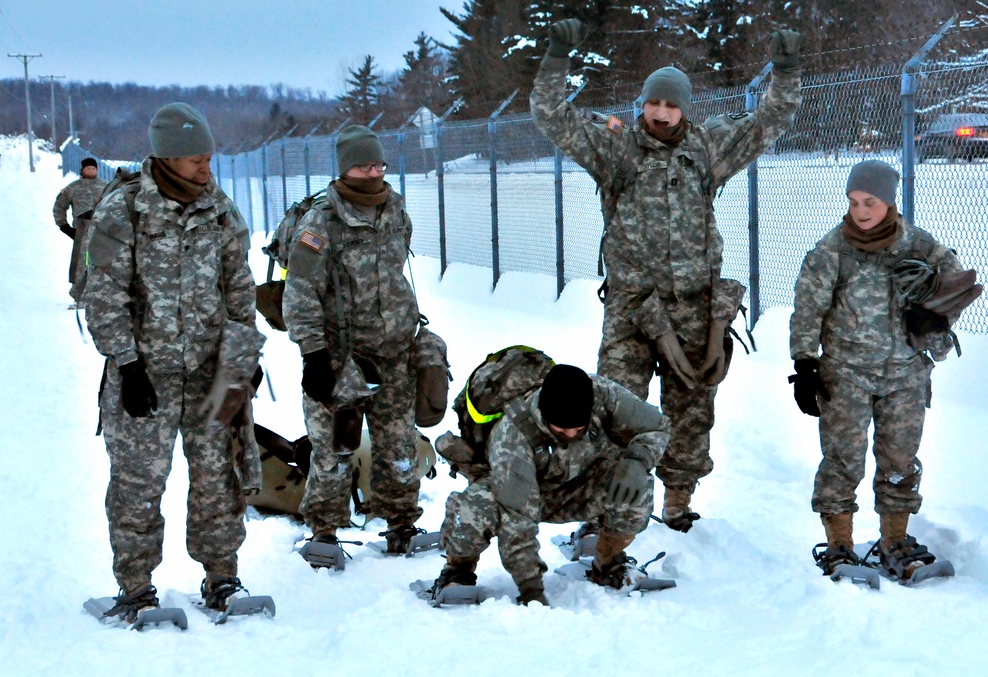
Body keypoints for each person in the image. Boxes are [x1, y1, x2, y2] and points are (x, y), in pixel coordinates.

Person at [531, 19, 803, 532]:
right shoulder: (615, 148)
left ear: (684, 108)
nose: (660, 113)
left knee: (691, 406)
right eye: (653, 103)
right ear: (643, 103)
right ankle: (604, 509)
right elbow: (550, 114)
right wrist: (555, 60)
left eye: (671, 105)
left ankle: (677, 502)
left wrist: (785, 72)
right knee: (612, 406)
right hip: (632, 308)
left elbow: (770, 118)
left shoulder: (708, 147)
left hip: (694, 306)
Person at [83, 102, 264, 621]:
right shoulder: (125, 211)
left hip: (212, 373)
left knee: (218, 479)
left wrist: (243, 354)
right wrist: (127, 363)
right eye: (194, 160)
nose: (206, 168)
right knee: (139, 483)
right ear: (166, 158)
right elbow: (105, 294)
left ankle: (221, 578)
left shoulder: (221, 210)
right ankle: (136, 586)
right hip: (147, 376)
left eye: (209, 158)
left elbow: (239, 287)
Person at [789, 160, 981, 579]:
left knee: (900, 460)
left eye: (870, 202)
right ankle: (839, 546)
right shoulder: (831, 250)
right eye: (854, 201)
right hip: (846, 374)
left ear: (889, 201)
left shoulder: (918, 245)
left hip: (906, 375)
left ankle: (895, 542)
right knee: (843, 461)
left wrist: (934, 318)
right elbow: (808, 310)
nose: (860, 210)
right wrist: (805, 365)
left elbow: (958, 285)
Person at [282, 125, 425, 557]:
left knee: (400, 446)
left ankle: (401, 523)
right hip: (341, 358)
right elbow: (301, 292)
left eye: (378, 163)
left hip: (395, 352)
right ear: (345, 168)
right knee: (333, 451)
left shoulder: (395, 209)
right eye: (364, 165)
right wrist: (313, 355)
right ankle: (323, 532)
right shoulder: (321, 220)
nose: (374, 172)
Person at [432, 364, 672, 605]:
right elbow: (517, 521)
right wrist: (530, 587)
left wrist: (637, 461)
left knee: (636, 483)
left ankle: (608, 563)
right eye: (561, 429)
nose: (570, 435)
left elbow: (657, 426)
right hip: (517, 496)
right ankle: (457, 570)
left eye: (578, 429)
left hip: (580, 485)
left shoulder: (603, 394)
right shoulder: (513, 436)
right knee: (477, 507)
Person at [53, 157, 107, 305]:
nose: (91, 171)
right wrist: (64, 226)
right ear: (82, 170)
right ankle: (80, 296)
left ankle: (102, 296)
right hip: (82, 231)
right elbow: (59, 206)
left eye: (94, 169)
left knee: (105, 264)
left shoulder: (106, 187)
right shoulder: (73, 188)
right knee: (81, 264)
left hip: (103, 231)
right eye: (88, 168)